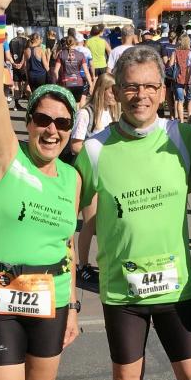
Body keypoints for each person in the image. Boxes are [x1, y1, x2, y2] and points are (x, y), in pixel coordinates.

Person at [75, 43, 191, 380]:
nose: (141, 95)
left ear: (162, 91)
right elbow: (65, 211)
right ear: (117, 91)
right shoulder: (94, 149)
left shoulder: (184, 138)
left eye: (150, 87)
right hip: (122, 293)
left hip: (175, 288)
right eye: (132, 86)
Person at [0, 0, 82, 380]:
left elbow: (69, 248)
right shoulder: (6, 158)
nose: (52, 130)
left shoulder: (71, 178)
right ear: (28, 122)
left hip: (50, 299)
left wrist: (72, 306)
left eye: (62, 123)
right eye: (42, 120)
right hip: (2, 298)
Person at [72, 73, 119, 287]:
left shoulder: (113, 112)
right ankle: (83, 265)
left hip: (111, 175)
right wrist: (98, 152)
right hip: (91, 175)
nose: (115, 95)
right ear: (102, 90)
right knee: (89, 224)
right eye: (112, 90)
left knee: (107, 222)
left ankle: (107, 261)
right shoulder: (86, 113)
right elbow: (75, 144)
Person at [52, 36, 92, 105]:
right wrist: (91, 85)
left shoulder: (61, 54)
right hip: (78, 83)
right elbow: (86, 72)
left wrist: (56, 82)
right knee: (78, 104)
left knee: (67, 104)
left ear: (66, 43)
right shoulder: (81, 55)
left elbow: (55, 71)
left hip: (65, 83)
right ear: (75, 43)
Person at [170, 34, 191, 123]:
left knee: (180, 100)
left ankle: (181, 121)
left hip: (178, 79)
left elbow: (170, 64)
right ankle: (190, 120)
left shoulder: (176, 52)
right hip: (189, 79)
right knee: (190, 100)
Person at [9, 27, 30, 104]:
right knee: (27, 84)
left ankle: (16, 104)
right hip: (24, 66)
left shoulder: (11, 41)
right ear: (23, 33)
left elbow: (9, 54)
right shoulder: (26, 41)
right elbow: (26, 53)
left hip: (15, 66)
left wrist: (14, 63)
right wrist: (21, 63)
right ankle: (30, 103)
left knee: (17, 85)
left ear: (16, 33)